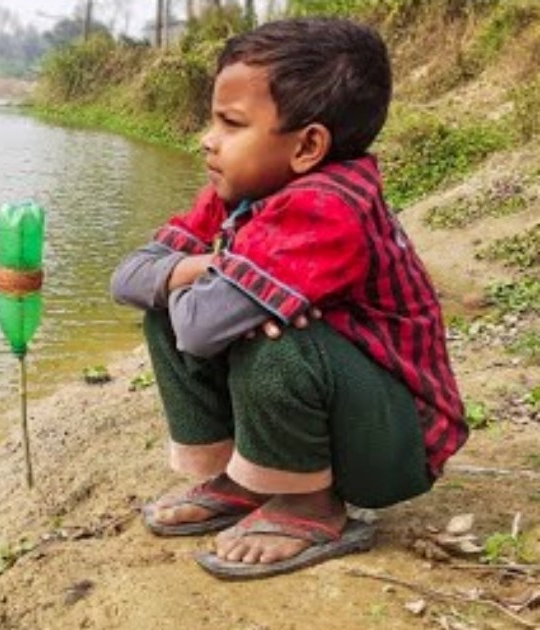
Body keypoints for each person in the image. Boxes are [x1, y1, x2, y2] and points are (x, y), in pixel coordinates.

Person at [110, 17, 468, 580]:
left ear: (308, 146)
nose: (208, 139)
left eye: (230, 124)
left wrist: (197, 286)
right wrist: (213, 270)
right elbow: (128, 277)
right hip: (344, 410)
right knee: (186, 310)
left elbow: (202, 327)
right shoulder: (239, 192)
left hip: (393, 440)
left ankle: (310, 506)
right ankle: (244, 480)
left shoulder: (326, 207)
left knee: (269, 340)